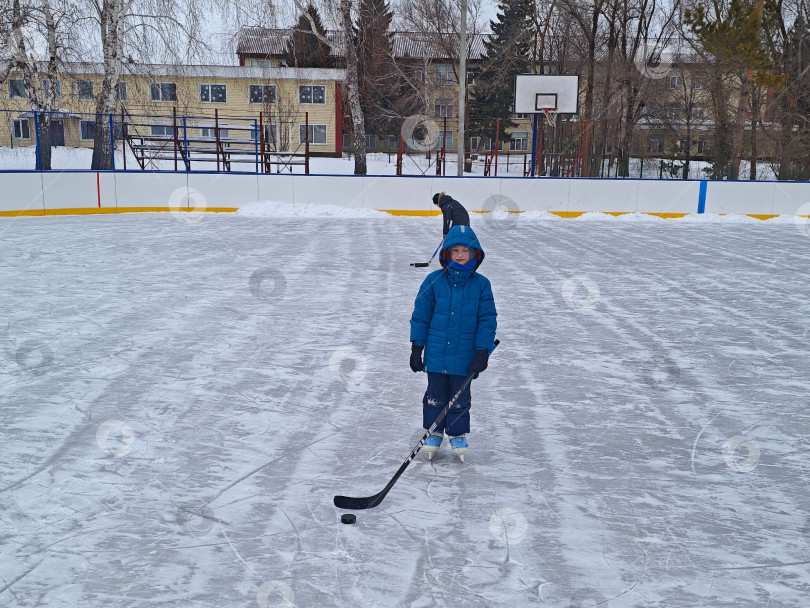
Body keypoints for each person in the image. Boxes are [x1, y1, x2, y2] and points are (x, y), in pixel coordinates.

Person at [409, 224, 497, 459]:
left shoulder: (482, 284)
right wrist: (417, 347)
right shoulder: (433, 280)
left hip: (465, 355)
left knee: (460, 398)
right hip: (436, 353)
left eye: (465, 250)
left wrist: (482, 352)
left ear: (475, 254)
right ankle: (434, 431)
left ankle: (457, 433)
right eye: (455, 250)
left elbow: (487, 320)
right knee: (435, 395)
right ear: (446, 253)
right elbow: (420, 315)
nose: (460, 254)